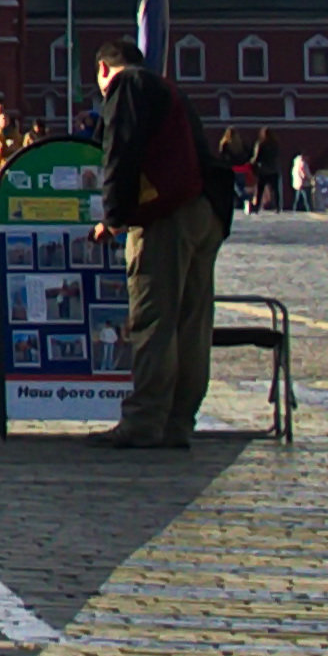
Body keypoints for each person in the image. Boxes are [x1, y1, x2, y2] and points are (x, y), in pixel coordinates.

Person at [94, 33, 227, 453]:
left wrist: (114, 217)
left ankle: (143, 421)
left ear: (103, 69)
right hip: (206, 211)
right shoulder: (170, 88)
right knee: (192, 323)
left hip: (167, 215)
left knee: (154, 320)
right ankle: (179, 421)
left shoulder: (127, 85)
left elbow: (121, 150)